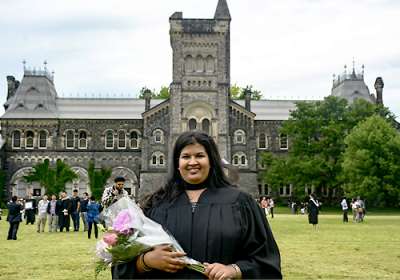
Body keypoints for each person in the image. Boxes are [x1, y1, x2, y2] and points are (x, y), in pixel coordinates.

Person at [112, 131, 282, 279]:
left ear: (212, 161)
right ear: (177, 164)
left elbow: (267, 260)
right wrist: (146, 261)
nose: (192, 162)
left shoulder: (240, 203)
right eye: (186, 156)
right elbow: (121, 264)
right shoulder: (154, 205)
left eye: (200, 155)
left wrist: (235, 270)